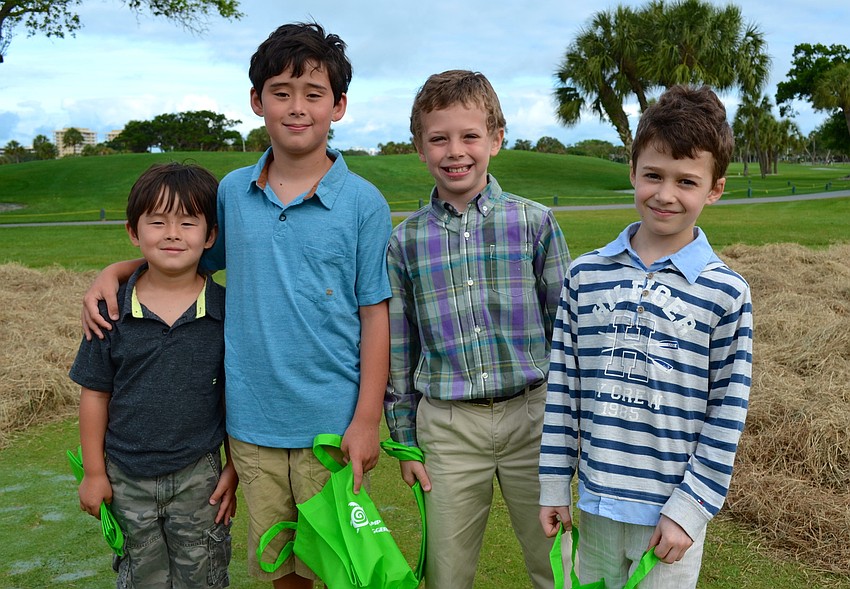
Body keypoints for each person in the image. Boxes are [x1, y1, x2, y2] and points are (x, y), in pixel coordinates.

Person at [81, 23, 392, 589]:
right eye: (281, 92)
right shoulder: (230, 194)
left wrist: (367, 420)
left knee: (340, 568)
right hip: (253, 427)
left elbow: (375, 314)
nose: (297, 107)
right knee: (280, 565)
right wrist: (117, 270)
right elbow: (182, 258)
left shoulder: (364, 204)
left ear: (339, 106)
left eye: (313, 94)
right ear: (257, 101)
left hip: (331, 425)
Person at [539, 85, 753, 589]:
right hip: (596, 505)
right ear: (633, 170)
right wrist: (554, 485)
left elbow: (727, 412)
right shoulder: (585, 276)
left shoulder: (727, 292)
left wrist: (691, 508)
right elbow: (563, 391)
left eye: (686, 181)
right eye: (653, 175)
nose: (665, 194)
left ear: (714, 189)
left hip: (671, 520)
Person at [384, 69, 570, 589]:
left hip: (534, 417)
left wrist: (570, 428)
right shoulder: (406, 241)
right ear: (420, 148)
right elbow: (401, 350)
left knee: (557, 567)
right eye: (438, 138)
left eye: (469, 136)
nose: (455, 151)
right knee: (445, 575)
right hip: (447, 429)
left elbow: (566, 332)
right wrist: (404, 439)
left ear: (496, 139)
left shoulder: (534, 223)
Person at [71, 162, 237, 588]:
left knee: (204, 575)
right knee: (139, 576)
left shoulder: (227, 311)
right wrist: (94, 472)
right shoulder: (108, 311)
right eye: (158, 221)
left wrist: (233, 467)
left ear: (211, 235)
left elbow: (236, 396)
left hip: (199, 474)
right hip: (124, 474)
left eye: (187, 222)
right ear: (133, 231)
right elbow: (95, 395)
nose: (172, 234)